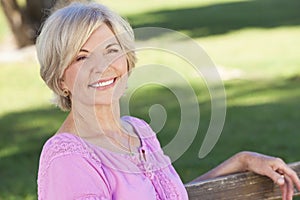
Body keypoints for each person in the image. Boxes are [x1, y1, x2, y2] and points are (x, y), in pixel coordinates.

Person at [36, 2, 300, 200]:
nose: (101, 67)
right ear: (60, 79)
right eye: (81, 58)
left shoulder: (138, 131)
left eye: (111, 50)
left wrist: (241, 162)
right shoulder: (67, 157)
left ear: (127, 61)